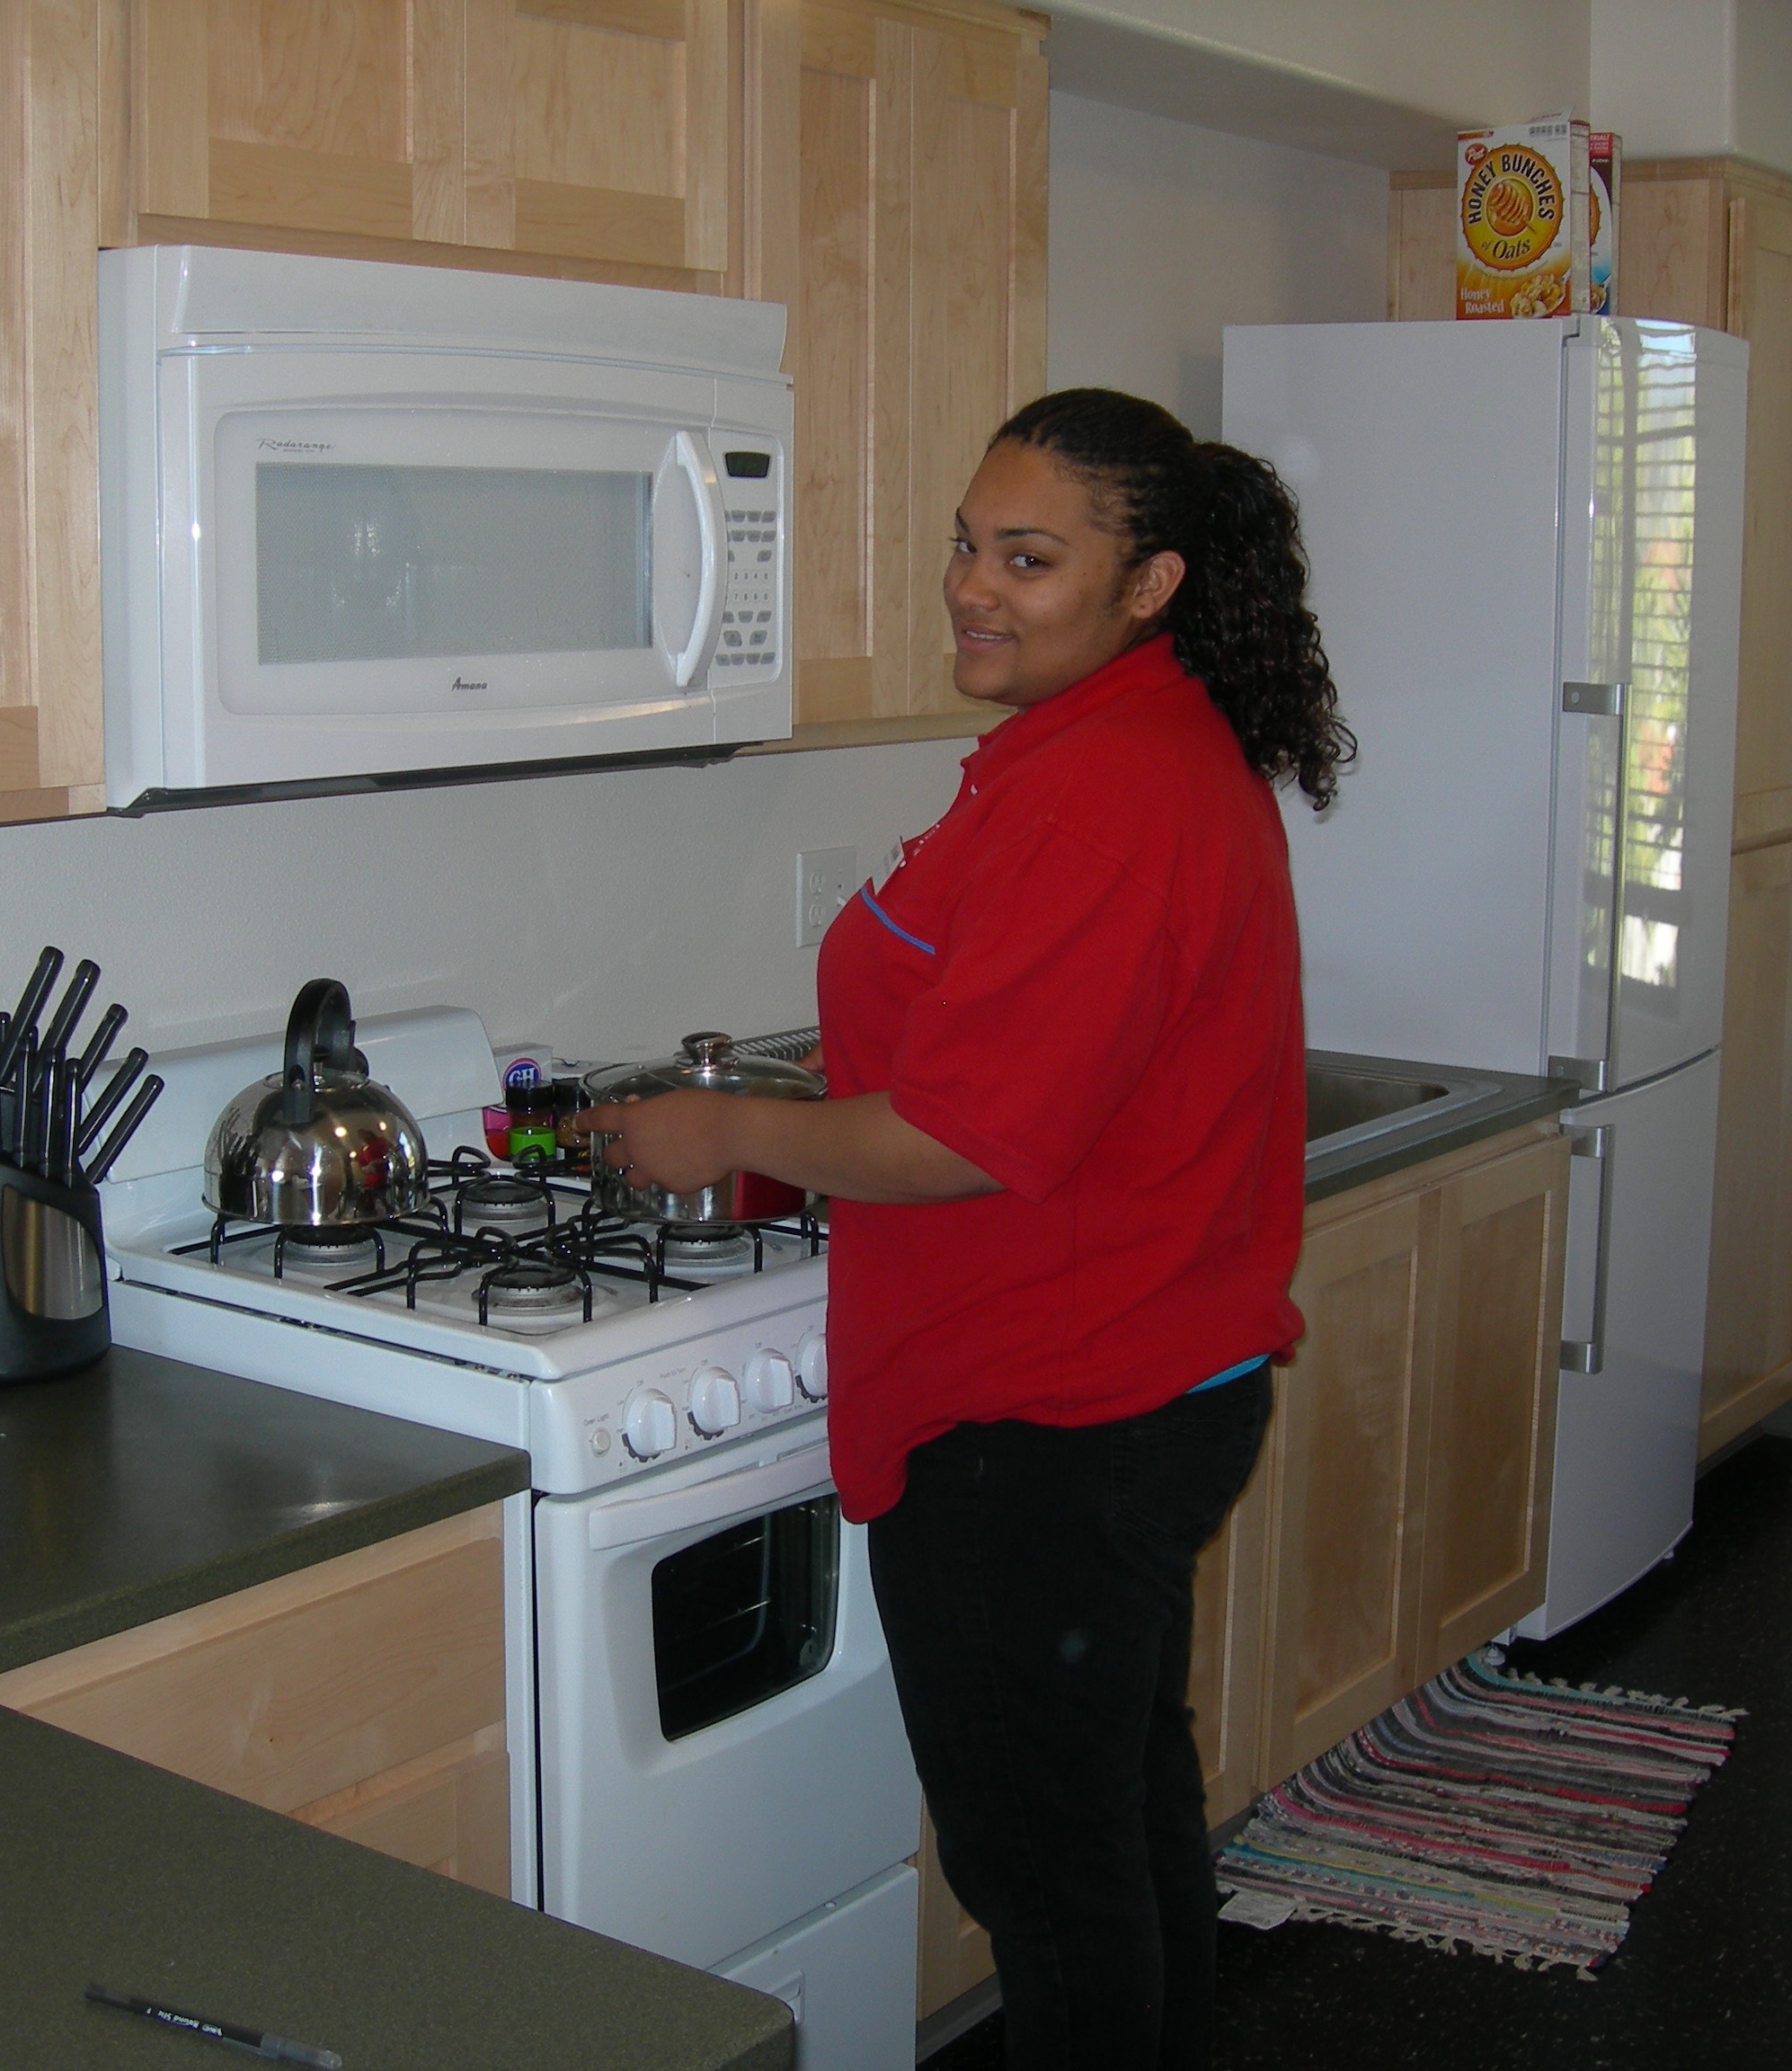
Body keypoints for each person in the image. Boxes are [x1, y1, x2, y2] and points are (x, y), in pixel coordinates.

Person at [581, 387, 1351, 2070]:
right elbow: (997, 1064)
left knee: (1055, 1885)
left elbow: (961, 1130)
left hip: (1052, 1422)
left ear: (1147, 586)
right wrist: (796, 1141)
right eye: (966, 544)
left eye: (1029, 557)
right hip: (1128, 1379)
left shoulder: (1103, 792)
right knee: (1124, 1832)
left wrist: (729, 1130)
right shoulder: (1095, 751)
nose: (974, 588)